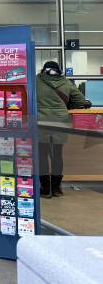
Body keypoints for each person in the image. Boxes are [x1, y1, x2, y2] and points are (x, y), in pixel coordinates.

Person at [36, 61, 90, 198]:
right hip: (60, 122)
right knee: (57, 155)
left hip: (41, 121)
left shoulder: (36, 81)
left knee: (42, 155)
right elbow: (81, 102)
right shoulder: (66, 83)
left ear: (43, 70)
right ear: (58, 70)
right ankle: (56, 188)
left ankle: (45, 188)